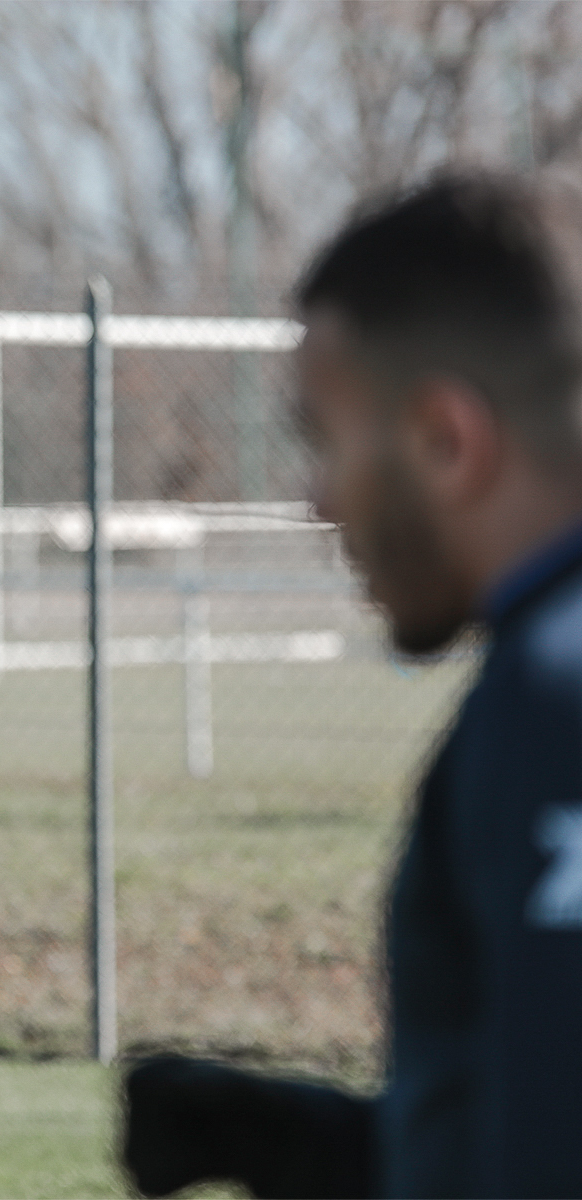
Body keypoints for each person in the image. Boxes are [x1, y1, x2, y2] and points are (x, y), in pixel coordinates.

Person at [122, 175, 582, 1198]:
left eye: (323, 440)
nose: (315, 499)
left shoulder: (554, 702)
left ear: (444, 441)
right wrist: (322, 1150)